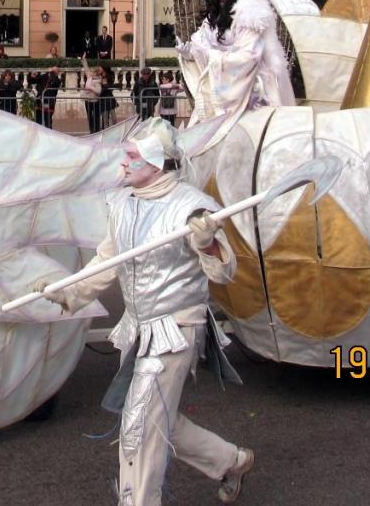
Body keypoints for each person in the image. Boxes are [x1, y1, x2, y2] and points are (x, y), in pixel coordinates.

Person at [34, 126, 254, 506]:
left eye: (132, 156)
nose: (124, 162)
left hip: (175, 327)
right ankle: (229, 460)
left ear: (157, 163)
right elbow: (108, 260)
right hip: (136, 327)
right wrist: (67, 291)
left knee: (139, 422)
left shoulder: (193, 207)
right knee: (151, 416)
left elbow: (224, 273)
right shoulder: (123, 204)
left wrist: (208, 244)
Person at [178, 0, 294, 154]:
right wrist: (190, 54)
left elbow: (249, 56)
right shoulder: (213, 17)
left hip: (248, 90)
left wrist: (211, 56)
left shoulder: (249, 16)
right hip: (222, 86)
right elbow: (201, 44)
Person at [81, 63, 104, 134]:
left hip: (94, 100)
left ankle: (96, 130)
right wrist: (83, 59)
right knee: (89, 116)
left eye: (92, 72)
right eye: (90, 72)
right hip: (87, 99)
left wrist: (91, 88)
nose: (90, 73)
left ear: (95, 73)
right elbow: (86, 68)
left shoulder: (98, 80)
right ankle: (91, 130)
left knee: (96, 116)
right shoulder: (89, 77)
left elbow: (99, 91)